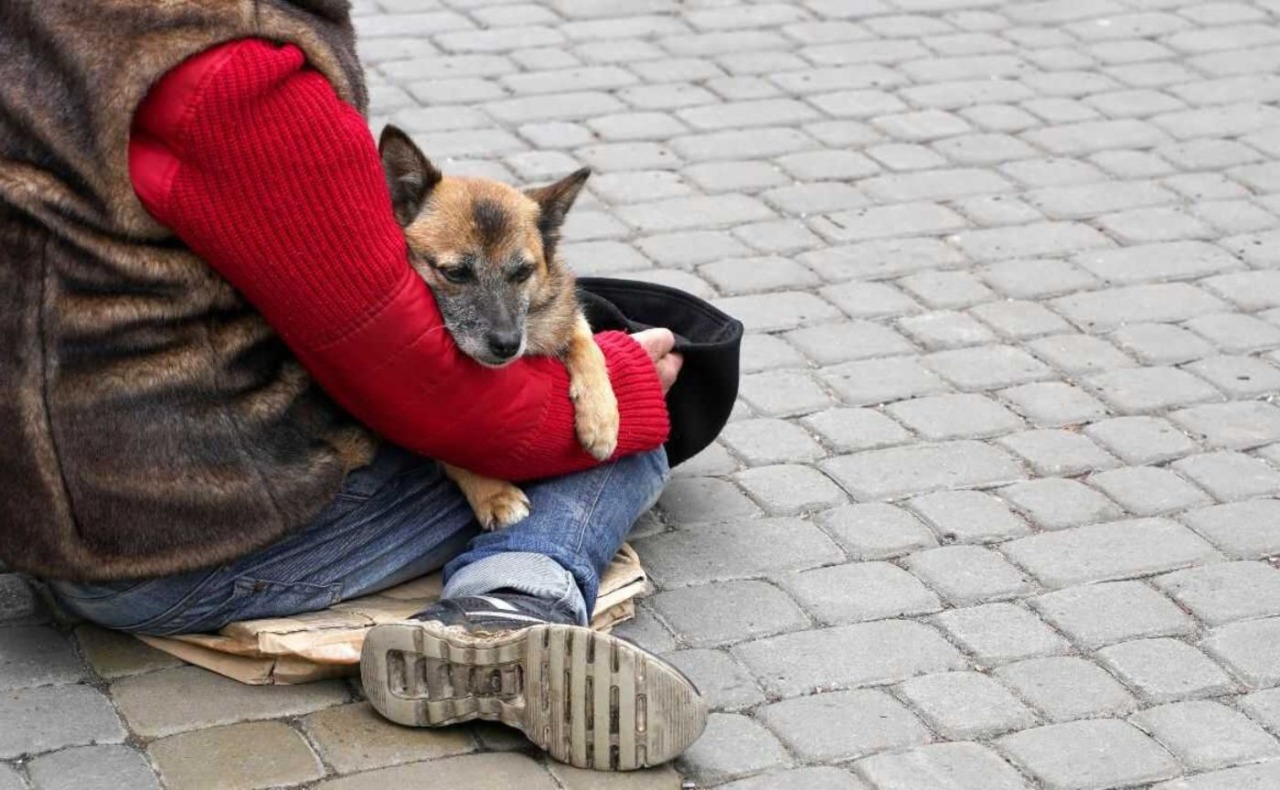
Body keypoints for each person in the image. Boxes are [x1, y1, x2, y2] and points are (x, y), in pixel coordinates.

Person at [0, 1, 706, 770]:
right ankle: (503, 617)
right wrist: (631, 387)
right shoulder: (235, 79)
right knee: (625, 440)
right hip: (172, 546)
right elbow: (409, 384)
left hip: (47, 506)